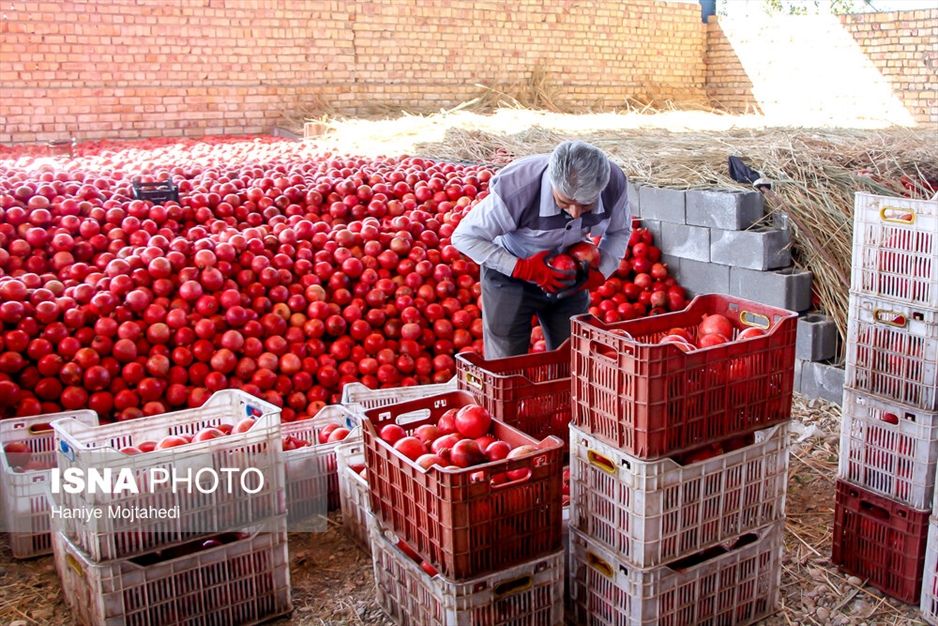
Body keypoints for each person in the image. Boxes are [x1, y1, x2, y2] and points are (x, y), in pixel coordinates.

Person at [451, 140, 632, 359]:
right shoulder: (517, 189)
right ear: (552, 183)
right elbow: (464, 236)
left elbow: (620, 231)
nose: (576, 214)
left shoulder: (612, 183)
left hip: (569, 275)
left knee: (573, 356)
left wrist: (602, 271)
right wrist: (522, 268)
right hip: (510, 273)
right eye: (564, 203)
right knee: (506, 361)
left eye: (586, 206)